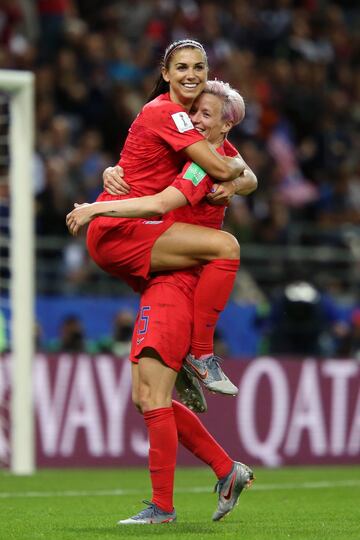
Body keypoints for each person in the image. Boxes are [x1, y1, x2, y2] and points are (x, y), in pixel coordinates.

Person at [67, 78, 256, 524]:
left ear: (224, 128)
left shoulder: (206, 164)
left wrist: (97, 207)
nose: (193, 119)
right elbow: (242, 173)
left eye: (205, 115)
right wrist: (111, 174)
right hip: (165, 275)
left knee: (151, 395)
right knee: (146, 396)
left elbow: (163, 202)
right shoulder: (197, 153)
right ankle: (226, 470)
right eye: (194, 113)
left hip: (178, 280)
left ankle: (163, 506)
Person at [67, 38, 247, 396]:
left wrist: (241, 176)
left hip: (157, 241)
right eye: (182, 67)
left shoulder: (195, 133)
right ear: (165, 73)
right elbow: (168, 197)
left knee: (148, 399)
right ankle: (200, 355)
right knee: (227, 247)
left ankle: (188, 366)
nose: (191, 74)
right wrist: (236, 171)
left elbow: (238, 171)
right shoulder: (172, 117)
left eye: (199, 68)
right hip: (130, 229)